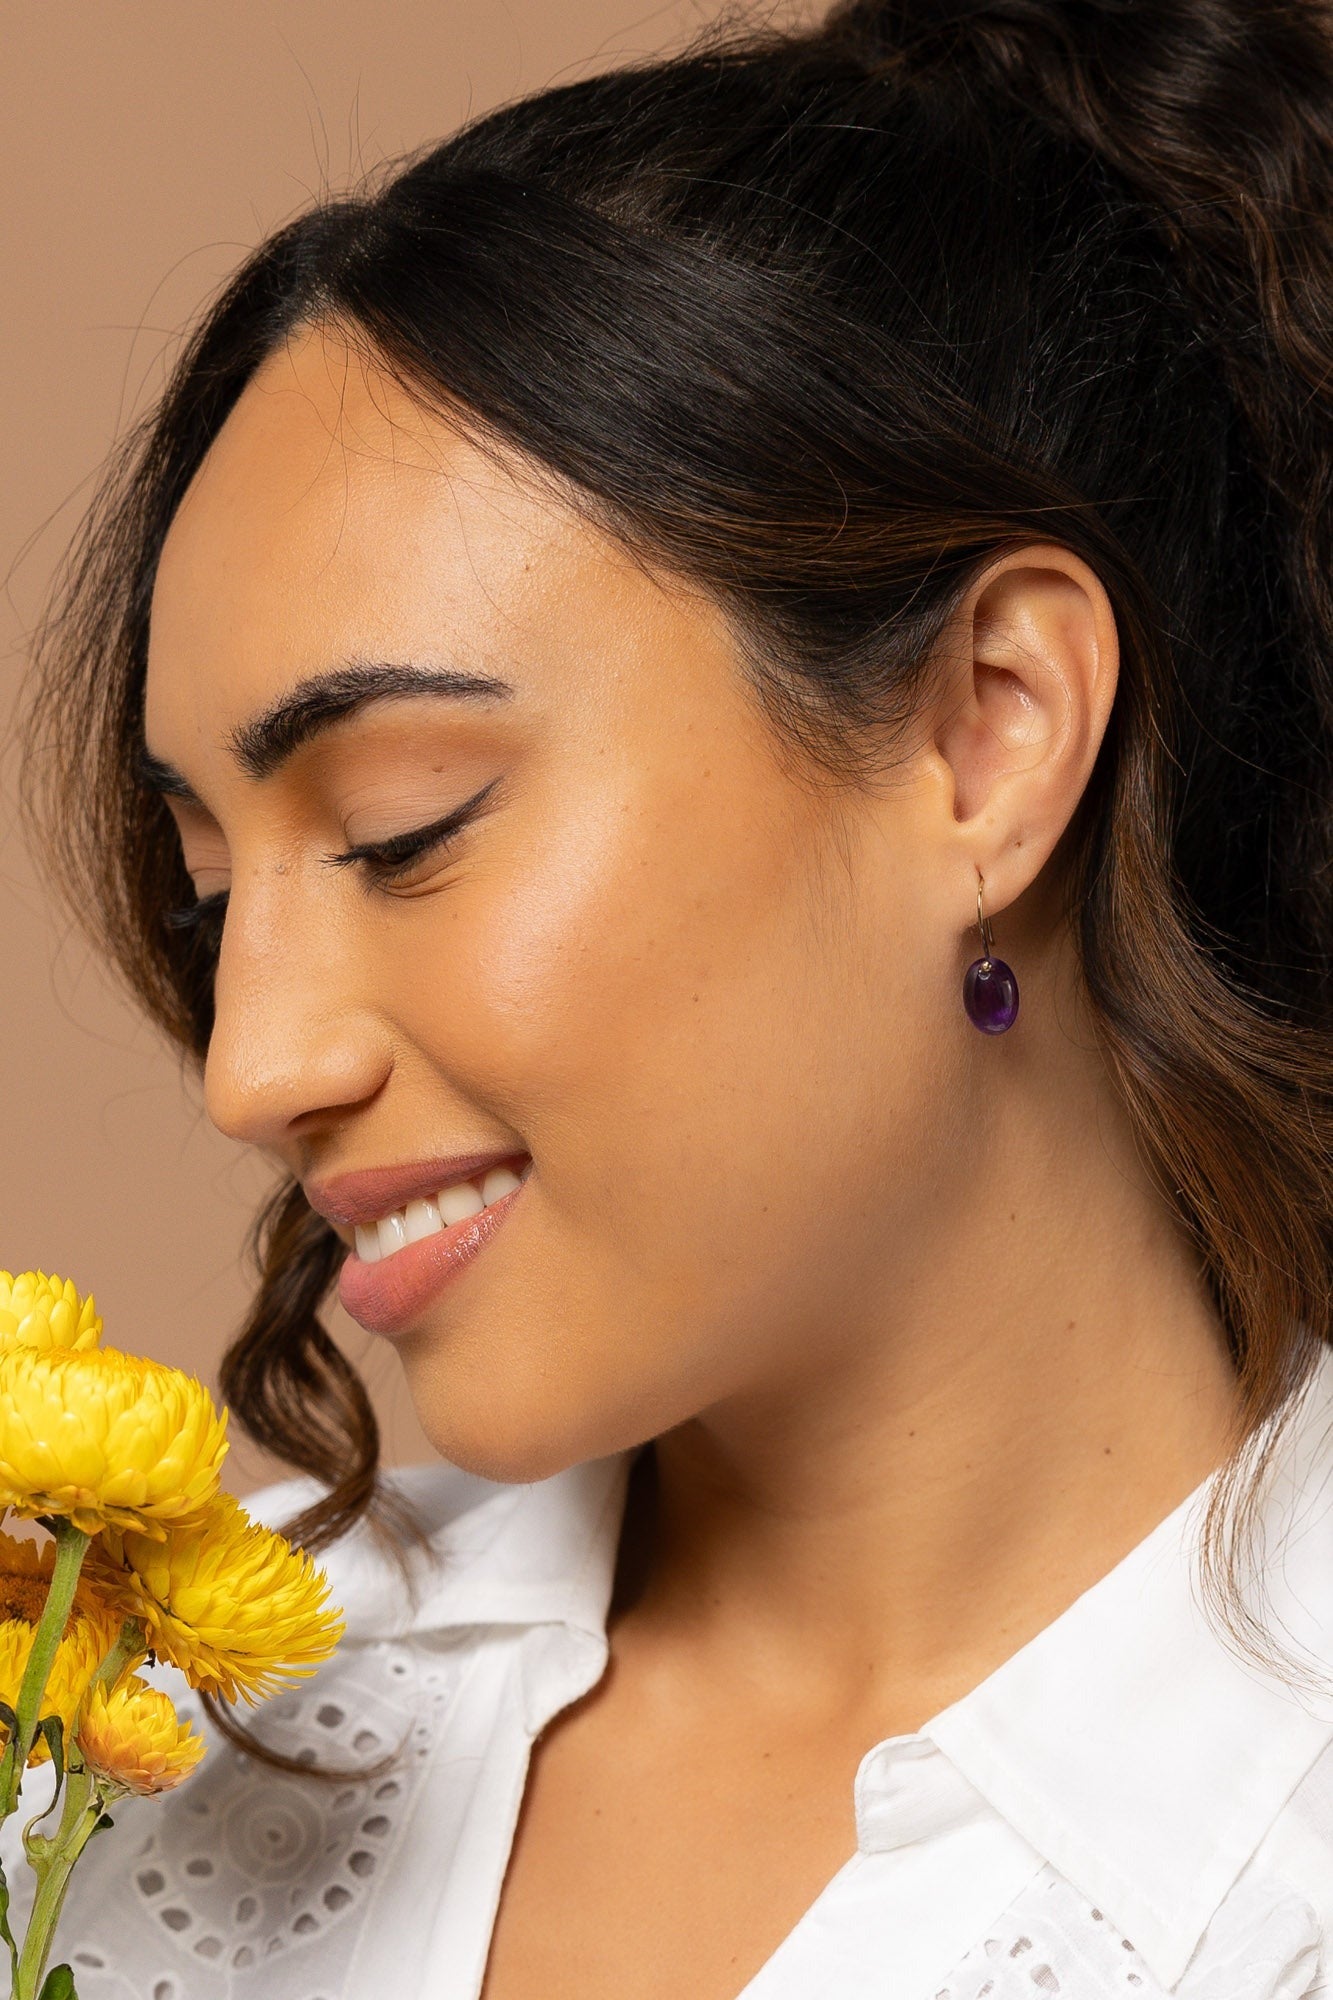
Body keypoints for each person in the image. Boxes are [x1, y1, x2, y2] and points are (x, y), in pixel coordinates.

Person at [10, 0, 1333, 1991]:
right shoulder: (131, 1739)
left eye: (403, 827)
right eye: (210, 901)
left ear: (986, 734)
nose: (253, 1064)